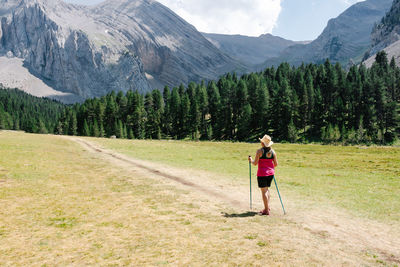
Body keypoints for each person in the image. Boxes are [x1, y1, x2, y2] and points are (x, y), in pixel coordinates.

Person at [248, 135, 278, 215]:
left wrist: (251, 160)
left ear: (262, 143)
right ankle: (267, 207)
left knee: (264, 191)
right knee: (267, 189)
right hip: (271, 173)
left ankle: (266, 210)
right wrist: (269, 166)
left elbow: (255, 163)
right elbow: (276, 164)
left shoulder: (259, 151)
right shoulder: (273, 152)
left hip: (262, 173)